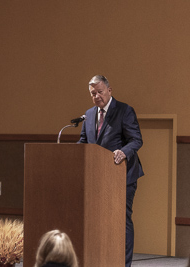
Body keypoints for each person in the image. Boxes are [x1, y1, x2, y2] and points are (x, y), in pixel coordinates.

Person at [78, 75, 144, 267]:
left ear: (109, 90)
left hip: (122, 176)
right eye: (93, 93)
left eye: (100, 91)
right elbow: (84, 142)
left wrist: (123, 152)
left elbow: (136, 140)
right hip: (97, 178)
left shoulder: (124, 110)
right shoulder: (89, 114)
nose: (97, 96)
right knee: (99, 221)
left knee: (121, 221)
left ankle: (124, 264)